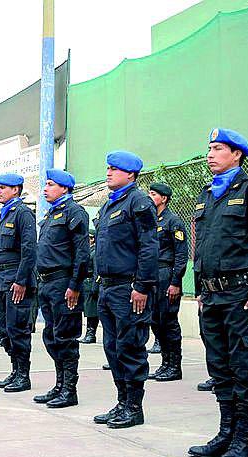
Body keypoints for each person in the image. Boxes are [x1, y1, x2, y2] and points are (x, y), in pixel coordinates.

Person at [188, 129, 248, 457]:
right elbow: (203, 247)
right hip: (212, 297)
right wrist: (200, 289)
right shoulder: (206, 194)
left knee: (245, 368)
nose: (210, 154)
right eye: (209, 148)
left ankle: (244, 440)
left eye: (218, 149)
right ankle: (226, 432)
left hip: (242, 295)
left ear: (237, 154)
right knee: (220, 368)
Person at [92, 153, 156, 427]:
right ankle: (122, 402)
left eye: (114, 169)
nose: (108, 173)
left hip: (128, 287)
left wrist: (141, 286)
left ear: (130, 174)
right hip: (108, 287)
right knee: (112, 348)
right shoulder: (110, 205)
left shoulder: (139, 202)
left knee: (130, 347)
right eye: (107, 168)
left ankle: (134, 407)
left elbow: (149, 246)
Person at [33, 169, 89, 407]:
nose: (45, 189)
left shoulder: (74, 212)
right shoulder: (51, 214)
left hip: (64, 283)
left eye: (50, 184)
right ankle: (59, 385)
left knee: (66, 337)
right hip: (47, 284)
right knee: (52, 337)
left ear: (64, 188)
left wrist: (74, 285)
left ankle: (69, 390)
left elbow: (82, 253)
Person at [0, 173, 37, 392]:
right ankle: (15, 370)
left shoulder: (23, 213)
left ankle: (23, 375)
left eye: (3, 188)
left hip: (16, 278)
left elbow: (29, 250)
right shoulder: (5, 214)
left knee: (18, 328)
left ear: (16, 190)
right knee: (4, 329)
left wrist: (21, 280)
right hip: (2, 278)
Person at [147, 182, 189, 382]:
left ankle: (174, 366)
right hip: (152, 275)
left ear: (163, 198)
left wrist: (176, 282)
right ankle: (165, 364)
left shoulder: (173, 221)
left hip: (166, 274)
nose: (149, 197)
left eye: (153, 194)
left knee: (168, 321)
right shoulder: (150, 221)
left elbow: (181, 254)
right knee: (156, 321)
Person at [79, 229, 100, 345]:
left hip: (91, 282)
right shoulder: (87, 251)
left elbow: (96, 270)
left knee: (92, 311)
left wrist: (95, 285)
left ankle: (91, 333)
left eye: (90, 238)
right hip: (85, 283)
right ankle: (88, 332)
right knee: (87, 310)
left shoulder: (95, 252)